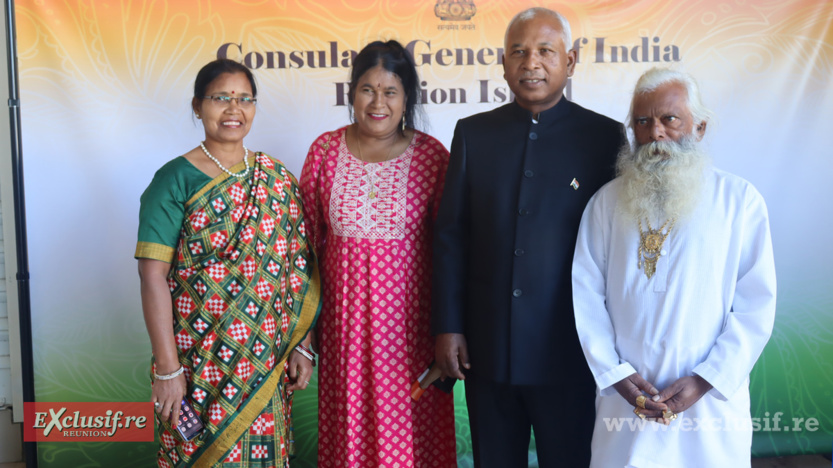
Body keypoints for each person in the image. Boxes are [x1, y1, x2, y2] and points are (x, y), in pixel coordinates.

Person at [432, 7, 624, 467]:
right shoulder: (474, 134)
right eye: (518, 52)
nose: (530, 63)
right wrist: (448, 326)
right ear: (503, 64)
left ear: (570, 61)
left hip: (571, 349)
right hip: (488, 347)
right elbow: (452, 237)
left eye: (545, 51)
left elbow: (618, 247)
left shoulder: (605, 137)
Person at [572, 67, 776, 467]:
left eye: (670, 119)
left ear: (699, 128)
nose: (655, 133)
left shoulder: (740, 201)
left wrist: (707, 378)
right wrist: (614, 375)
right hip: (626, 405)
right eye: (642, 122)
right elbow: (586, 296)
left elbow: (756, 307)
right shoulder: (605, 203)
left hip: (710, 407)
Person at [136, 58, 321, 467]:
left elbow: (298, 270)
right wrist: (167, 370)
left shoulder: (277, 178)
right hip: (195, 362)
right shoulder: (174, 180)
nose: (234, 109)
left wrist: (303, 345)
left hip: (265, 362)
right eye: (221, 98)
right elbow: (152, 277)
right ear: (197, 105)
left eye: (245, 99)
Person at [299, 40, 456, 467]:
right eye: (367, 89)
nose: (378, 103)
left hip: (411, 339)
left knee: (411, 442)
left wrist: (450, 330)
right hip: (343, 337)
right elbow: (304, 250)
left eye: (390, 91)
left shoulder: (432, 158)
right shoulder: (324, 152)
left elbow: (451, 251)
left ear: (407, 98)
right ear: (352, 93)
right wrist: (304, 335)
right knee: (349, 439)